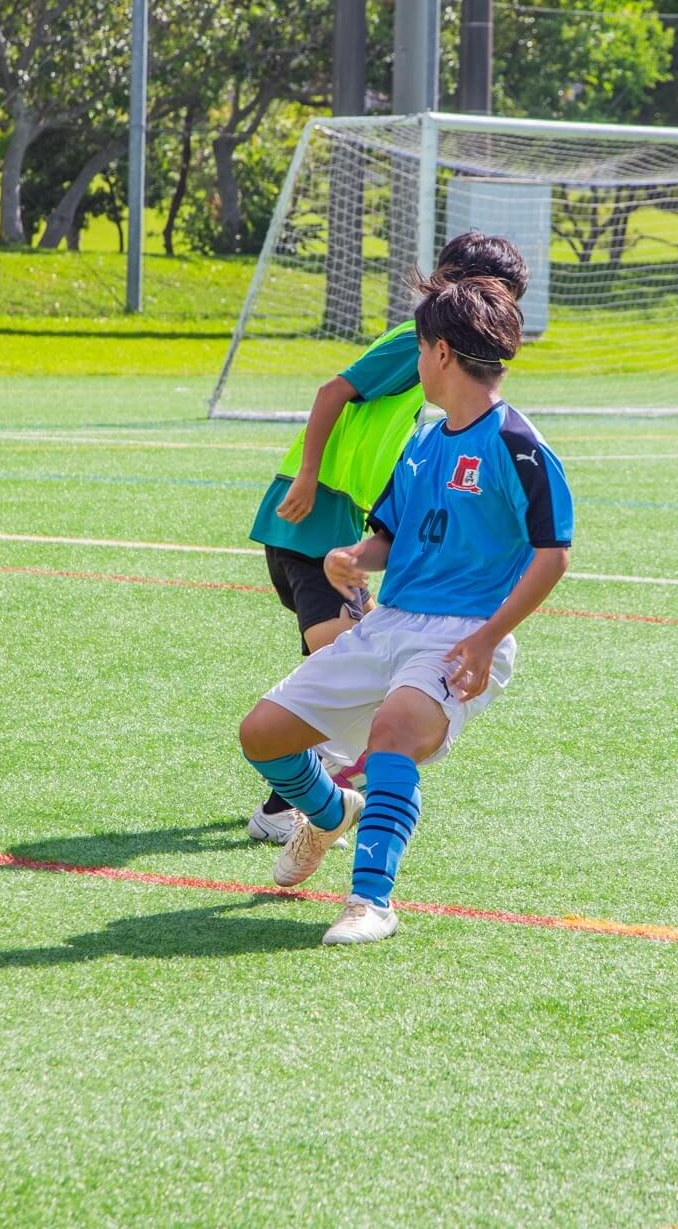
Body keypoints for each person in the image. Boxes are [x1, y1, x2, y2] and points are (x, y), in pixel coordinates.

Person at [236, 272, 573, 946]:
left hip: (462, 634)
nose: (416, 361)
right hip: (389, 621)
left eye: (419, 349)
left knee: (393, 735)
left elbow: (552, 555)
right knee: (262, 735)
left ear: (441, 352)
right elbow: (391, 534)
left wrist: (488, 639)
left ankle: (371, 902)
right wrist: (354, 557)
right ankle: (329, 810)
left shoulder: (518, 444)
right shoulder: (423, 440)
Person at [242, 232, 529, 844]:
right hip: (320, 514)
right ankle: (294, 803)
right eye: (496, 293)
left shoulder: (450, 370)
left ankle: (306, 791)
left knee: (358, 660)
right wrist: (310, 476)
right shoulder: (416, 342)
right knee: (350, 658)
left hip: (340, 517)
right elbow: (332, 392)